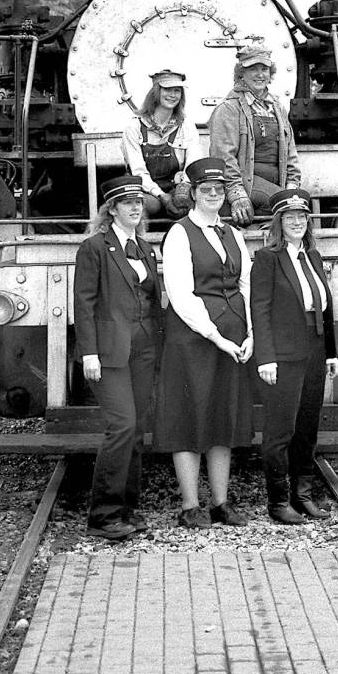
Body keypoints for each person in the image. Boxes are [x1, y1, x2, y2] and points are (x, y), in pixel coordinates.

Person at [153, 157, 254, 528]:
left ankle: (221, 503)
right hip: (193, 339)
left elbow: (246, 284)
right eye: (205, 190)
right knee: (189, 415)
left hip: (232, 336)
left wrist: (249, 333)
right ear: (193, 194)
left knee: (222, 415)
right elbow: (180, 294)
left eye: (219, 190)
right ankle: (190, 506)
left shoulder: (233, 233)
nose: (213, 195)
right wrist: (216, 335)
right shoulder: (180, 233)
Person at [73, 175, 163, 542]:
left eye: (139, 202)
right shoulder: (94, 248)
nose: (135, 207)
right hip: (108, 353)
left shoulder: (144, 247)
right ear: (111, 208)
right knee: (122, 424)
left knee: (138, 427)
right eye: (127, 202)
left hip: (143, 350)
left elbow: (151, 301)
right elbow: (84, 304)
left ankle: (128, 507)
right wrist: (89, 353)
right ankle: (103, 514)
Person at [250, 188, 338, 525]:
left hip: (315, 349)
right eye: (290, 218)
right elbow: (260, 311)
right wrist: (265, 358)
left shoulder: (313, 257)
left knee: (307, 427)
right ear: (279, 222)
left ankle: (303, 495)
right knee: (280, 429)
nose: (297, 222)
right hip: (284, 355)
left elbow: (326, 306)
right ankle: (278, 501)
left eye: (302, 217)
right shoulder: (267, 259)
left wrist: (330, 352)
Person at [209, 42, 301, 226]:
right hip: (248, 182)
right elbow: (223, 157)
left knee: (298, 207)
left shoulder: (277, 107)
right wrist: (237, 195)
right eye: (253, 69)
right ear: (241, 73)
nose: (260, 74)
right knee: (286, 206)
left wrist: (293, 187)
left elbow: (291, 153)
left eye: (264, 69)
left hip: (277, 183)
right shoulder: (229, 108)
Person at [121, 69, 200, 218]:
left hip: (175, 188)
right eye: (167, 89)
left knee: (188, 205)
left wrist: (184, 188)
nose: (173, 95)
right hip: (144, 189)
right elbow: (138, 172)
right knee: (149, 206)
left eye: (177, 90)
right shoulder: (134, 127)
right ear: (155, 92)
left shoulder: (186, 126)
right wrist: (161, 196)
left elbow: (193, 163)